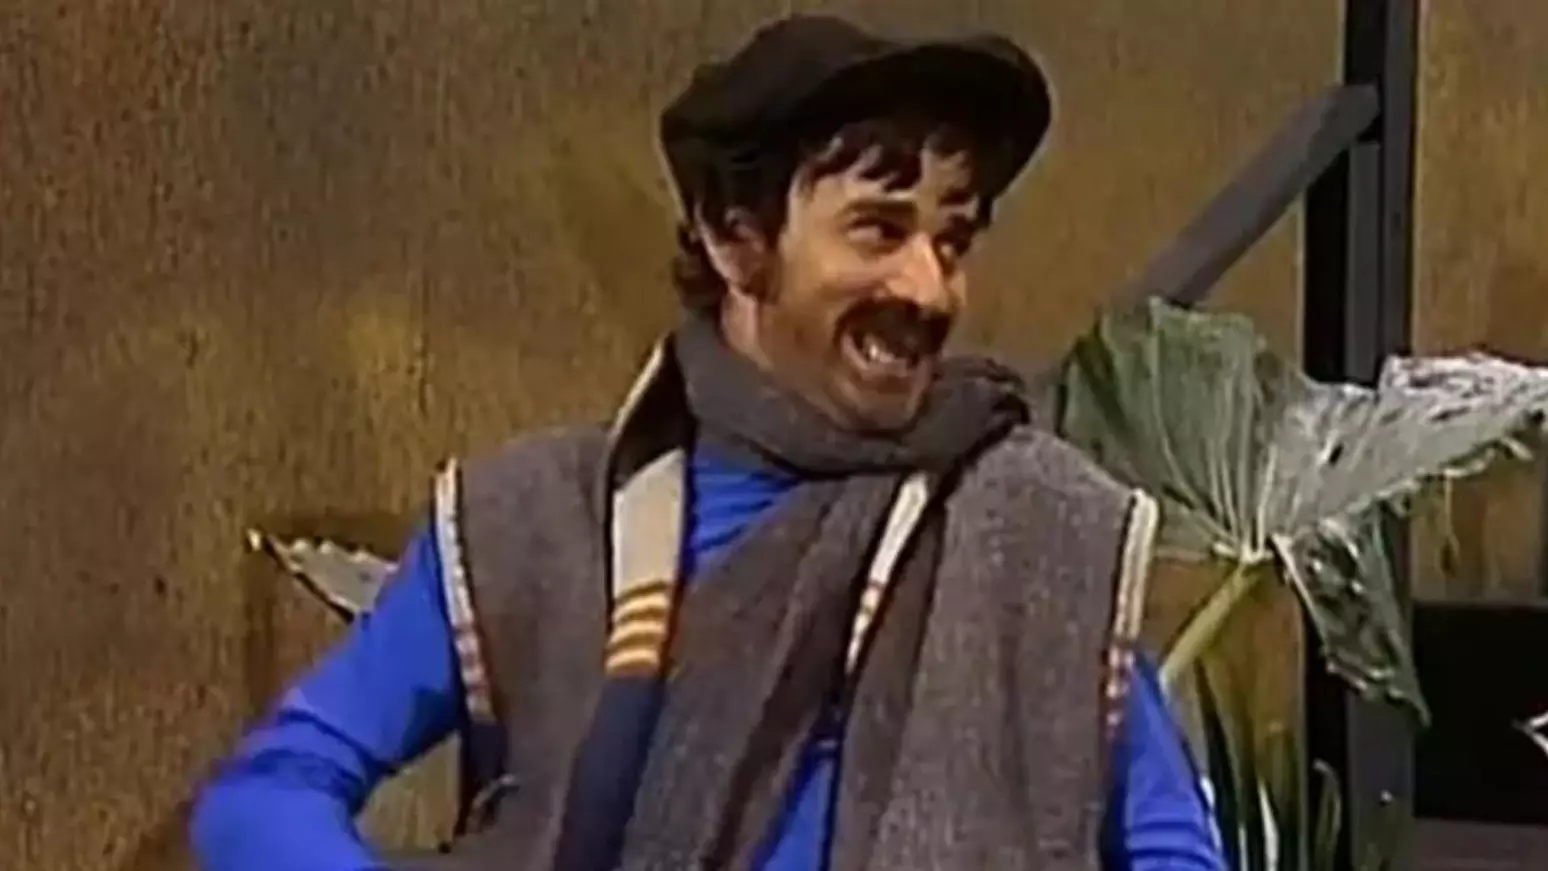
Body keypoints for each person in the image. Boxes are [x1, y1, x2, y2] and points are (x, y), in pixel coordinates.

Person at [190, 14, 1224, 871]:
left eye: (950, 239)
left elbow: (1174, 850)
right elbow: (265, 796)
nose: (928, 286)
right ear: (736, 236)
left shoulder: (1036, 535)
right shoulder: (534, 524)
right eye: (879, 228)